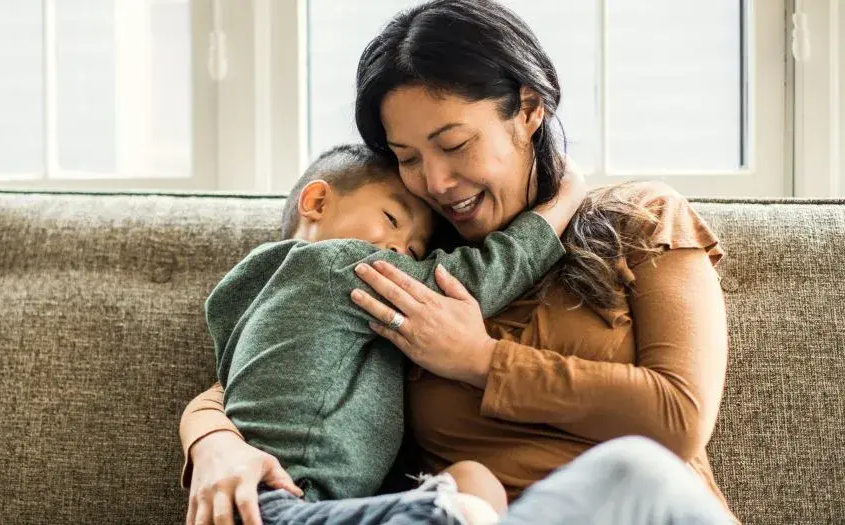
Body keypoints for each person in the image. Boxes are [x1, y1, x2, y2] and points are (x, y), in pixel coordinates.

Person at [181, 1, 737, 524]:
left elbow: (679, 419)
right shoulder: (413, 266)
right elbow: (267, 364)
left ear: (528, 108)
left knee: (634, 471)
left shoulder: (640, 218)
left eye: (454, 144)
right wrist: (214, 445)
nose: (436, 183)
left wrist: (477, 359)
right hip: (474, 514)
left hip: (635, 507)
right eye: (408, 159)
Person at [207, 142, 585, 524]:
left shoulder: (247, 293)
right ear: (318, 201)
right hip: (285, 502)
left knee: (472, 482)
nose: (398, 251)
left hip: (277, 503)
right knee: (461, 507)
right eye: (391, 219)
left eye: (415, 251)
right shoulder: (337, 263)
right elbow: (474, 278)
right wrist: (564, 199)